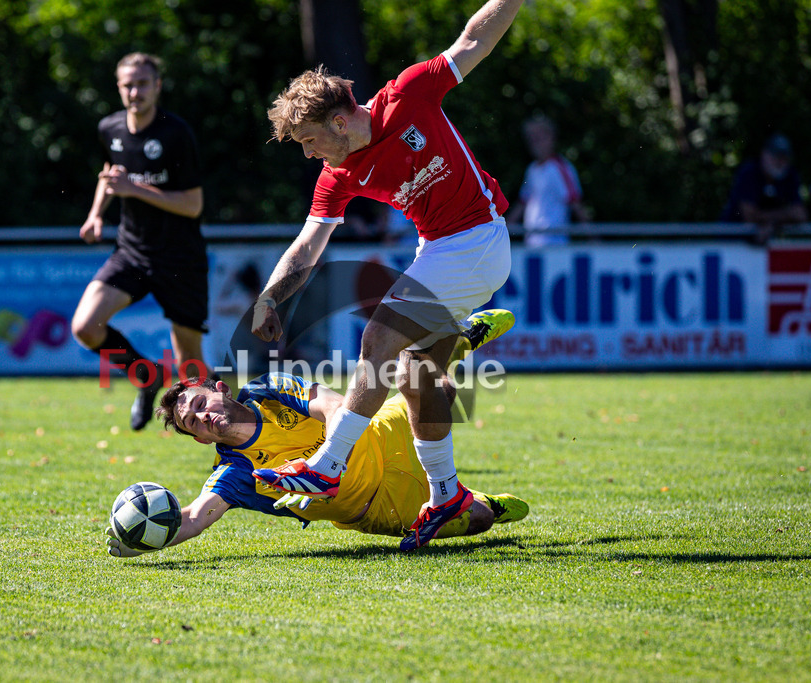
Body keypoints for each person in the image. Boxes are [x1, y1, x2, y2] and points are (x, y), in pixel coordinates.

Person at [250, 0, 524, 550]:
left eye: (308, 139)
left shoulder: (409, 93)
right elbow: (308, 244)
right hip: (441, 249)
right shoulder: (338, 173)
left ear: (338, 119)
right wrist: (269, 299)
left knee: (378, 333)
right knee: (416, 378)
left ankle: (329, 465)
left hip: (477, 241)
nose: (308, 154)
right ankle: (446, 495)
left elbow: (474, 40)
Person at [105, 312, 526, 558]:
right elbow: (193, 518)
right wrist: (141, 540)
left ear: (219, 389)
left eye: (199, 405)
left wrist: (322, 465)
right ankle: (479, 500)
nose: (203, 418)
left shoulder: (268, 389)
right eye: (193, 424)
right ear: (199, 440)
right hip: (378, 507)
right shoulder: (232, 475)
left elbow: (337, 407)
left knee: (426, 382)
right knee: (482, 522)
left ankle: (456, 343)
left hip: (379, 432)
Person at [70, 52, 211, 431]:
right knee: (85, 327)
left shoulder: (175, 133)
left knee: (191, 366)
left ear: (157, 87)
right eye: (128, 85)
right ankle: (146, 377)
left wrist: (135, 188)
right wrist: (96, 213)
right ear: (119, 88)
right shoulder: (110, 129)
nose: (135, 92)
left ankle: (238, 437)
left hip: (181, 259)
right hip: (132, 251)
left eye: (143, 84)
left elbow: (192, 204)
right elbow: (109, 174)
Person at [505, 114, 589, 247]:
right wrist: (501, 232)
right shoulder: (532, 169)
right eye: (531, 139)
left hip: (554, 245)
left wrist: (594, 239)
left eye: (538, 138)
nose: (534, 144)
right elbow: (522, 203)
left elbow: (576, 204)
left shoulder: (560, 168)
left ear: (551, 137)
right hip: (532, 244)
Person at [721, 133, 808, 245]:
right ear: (764, 154)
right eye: (776, 156)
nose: (780, 162)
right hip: (734, 243)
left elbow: (800, 215)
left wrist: (769, 221)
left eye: (784, 157)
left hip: (768, 244)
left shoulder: (790, 175)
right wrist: (784, 215)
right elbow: (749, 216)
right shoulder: (749, 172)